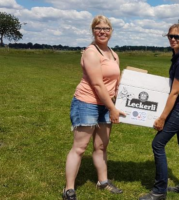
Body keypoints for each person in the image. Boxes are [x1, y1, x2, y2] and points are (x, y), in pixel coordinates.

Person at [63, 15, 125, 200]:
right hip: (86, 103)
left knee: (101, 146)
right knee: (80, 147)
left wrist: (122, 98)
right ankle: (69, 188)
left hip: (106, 105)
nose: (102, 32)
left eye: (106, 28)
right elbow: (97, 85)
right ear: (93, 31)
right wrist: (113, 108)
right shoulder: (91, 52)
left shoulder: (113, 54)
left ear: (111, 32)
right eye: (98, 28)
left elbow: (117, 82)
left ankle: (103, 182)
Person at [139, 24, 179, 200]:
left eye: (177, 37)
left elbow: (175, 92)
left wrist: (162, 118)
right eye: (170, 36)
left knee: (158, 144)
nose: (173, 39)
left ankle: (159, 191)